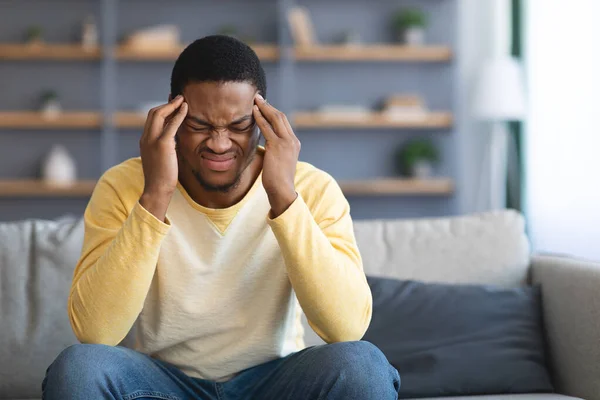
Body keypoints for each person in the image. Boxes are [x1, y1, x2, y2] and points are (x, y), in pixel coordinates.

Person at [42, 35, 400, 400]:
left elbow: (347, 328)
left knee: (363, 365)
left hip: (275, 383)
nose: (219, 143)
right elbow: (95, 332)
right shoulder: (125, 186)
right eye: (199, 125)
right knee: (79, 368)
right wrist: (156, 194)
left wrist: (282, 197)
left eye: (238, 126)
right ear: (171, 114)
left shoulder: (311, 188)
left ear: (263, 118)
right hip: (162, 385)